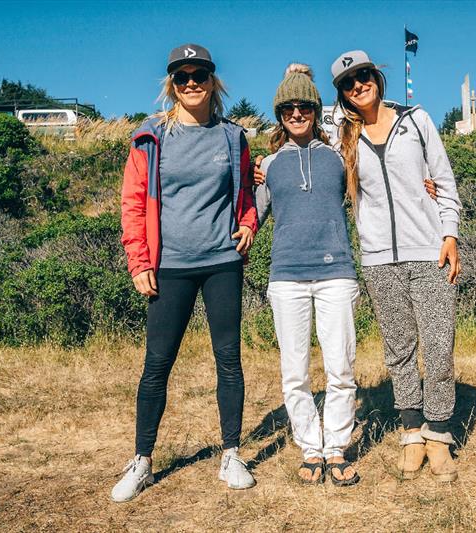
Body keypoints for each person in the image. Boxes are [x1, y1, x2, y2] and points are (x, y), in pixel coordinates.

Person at [112, 43, 258, 502]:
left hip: (221, 262)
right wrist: (139, 261)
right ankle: (143, 461)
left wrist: (250, 224)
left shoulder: (233, 137)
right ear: (171, 85)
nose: (191, 83)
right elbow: (132, 203)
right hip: (168, 266)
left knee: (228, 360)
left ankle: (232, 453)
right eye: (182, 76)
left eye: (200, 75)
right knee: (157, 365)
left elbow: (247, 195)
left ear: (214, 81)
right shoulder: (150, 136)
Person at [331, 50, 462, 482]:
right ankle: (411, 431)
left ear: (376, 77)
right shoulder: (346, 139)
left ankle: (439, 432)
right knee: (400, 350)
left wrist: (450, 235)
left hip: (428, 251)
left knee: (439, 345)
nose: (358, 86)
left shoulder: (417, 120)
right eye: (348, 83)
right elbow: (305, 147)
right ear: (343, 94)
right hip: (379, 260)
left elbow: (443, 181)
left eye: (363, 76)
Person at [256, 63, 360, 486]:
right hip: (286, 277)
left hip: (336, 272)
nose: (296, 113)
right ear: (279, 113)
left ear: (316, 110)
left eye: (304, 106)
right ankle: (310, 449)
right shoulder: (270, 164)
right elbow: (253, 214)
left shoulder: (339, 153)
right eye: (287, 107)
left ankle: (336, 447)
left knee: (341, 367)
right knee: (294, 372)